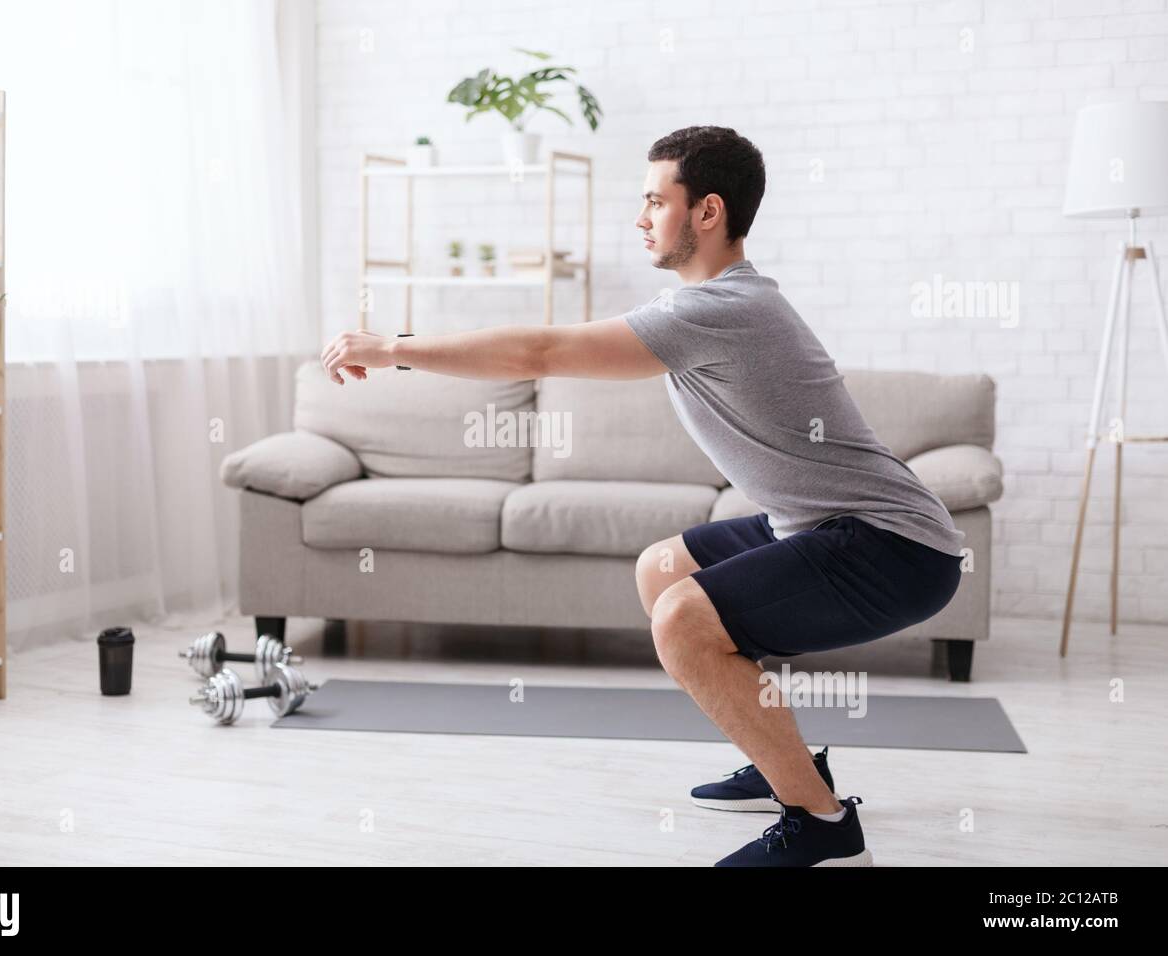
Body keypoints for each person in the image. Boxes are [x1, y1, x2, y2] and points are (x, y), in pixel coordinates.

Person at [320, 125, 964, 867]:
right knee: (664, 571)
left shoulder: (720, 309)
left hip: (896, 548)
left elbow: (543, 352)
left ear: (708, 212)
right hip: (820, 527)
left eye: (656, 201)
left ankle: (825, 830)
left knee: (683, 622)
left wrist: (395, 347)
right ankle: (786, 762)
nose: (640, 217)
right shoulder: (715, 304)